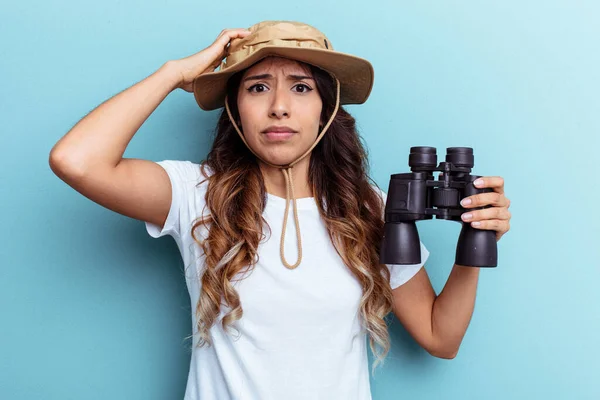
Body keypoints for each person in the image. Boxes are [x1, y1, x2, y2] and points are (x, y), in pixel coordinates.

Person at [49, 20, 512, 400]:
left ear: (326, 110)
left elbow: (440, 336)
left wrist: (477, 241)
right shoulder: (198, 194)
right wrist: (174, 74)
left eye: (301, 87)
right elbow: (77, 160)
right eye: (256, 87)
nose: (279, 108)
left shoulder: (366, 206)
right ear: (234, 109)